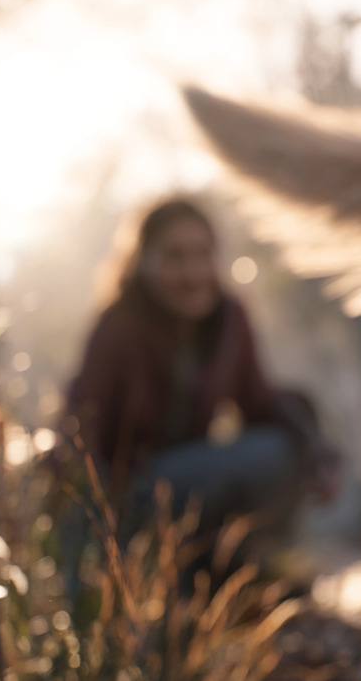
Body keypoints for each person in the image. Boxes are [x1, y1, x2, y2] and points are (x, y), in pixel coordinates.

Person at [57, 196, 338, 586]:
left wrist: (313, 443)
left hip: (198, 478)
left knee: (282, 443)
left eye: (202, 255)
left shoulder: (229, 318)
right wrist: (96, 529)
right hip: (135, 494)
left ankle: (249, 569)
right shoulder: (117, 328)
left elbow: (257, 400)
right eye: (174, 257)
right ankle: (185, 579)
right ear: (143, 262)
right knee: (266, 453)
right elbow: (78, 433)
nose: (192, 273)